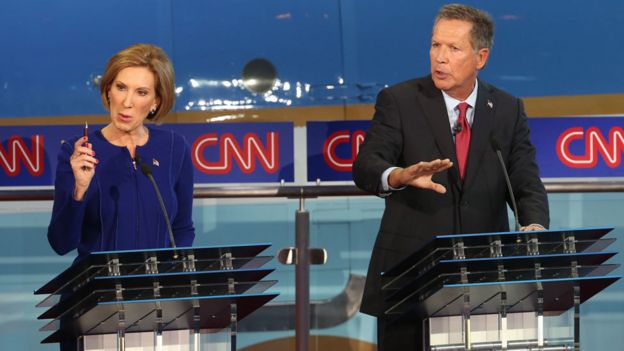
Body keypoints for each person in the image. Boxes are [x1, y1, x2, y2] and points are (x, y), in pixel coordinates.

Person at [352, 4, 549, 350]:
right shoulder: (399, 101)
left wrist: (533, 226)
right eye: (435, 45)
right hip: (411, 279)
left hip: (485, 278)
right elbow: (366, 165)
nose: (440, 57)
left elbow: (525, 181)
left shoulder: (506, 109)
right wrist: (398, 175)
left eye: (453, 48)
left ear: (480, 56)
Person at [47, 43, 195, 261]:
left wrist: (172, 277)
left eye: (141, 92)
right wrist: (79, 190)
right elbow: (61, 243)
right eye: (121, 87)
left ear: (156, 101)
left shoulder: (174, 147)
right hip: (96, 290)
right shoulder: (77, 152)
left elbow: (182, 229)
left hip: (153, 290)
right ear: (108, 91)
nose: (127, 102)